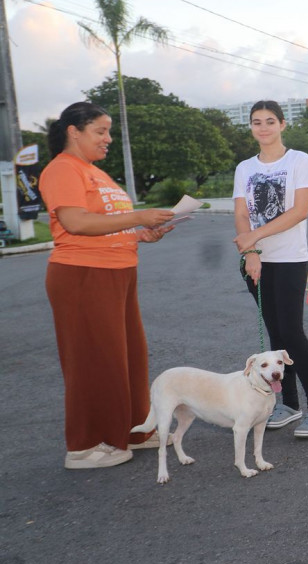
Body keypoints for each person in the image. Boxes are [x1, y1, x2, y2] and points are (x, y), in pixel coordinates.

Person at [41, 101, 175, 469]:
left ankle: (133, 430)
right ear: (74, 132)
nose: (108, 139)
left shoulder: (95, 172)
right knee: (93, 360)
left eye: (109, 131)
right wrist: (138, 216)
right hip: (83, 274)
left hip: (118, 271)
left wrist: (139, 233)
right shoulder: (63, 168)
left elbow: (106, 223)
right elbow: (76, 222)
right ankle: (84, 446)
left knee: (129, 357)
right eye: (100, 131)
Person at [233, 100, 308, 438]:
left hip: (289, 259)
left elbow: (300, 210)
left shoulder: (299, 161)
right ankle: (288, 404)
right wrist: (251, 252)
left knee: (292, 333)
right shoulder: (244, 167)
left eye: (270, 121)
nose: (263, 128)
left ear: (282, 124)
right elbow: (241, 213)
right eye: (256, 122)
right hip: (256, 261)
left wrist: (254, 237)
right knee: (275, 336)